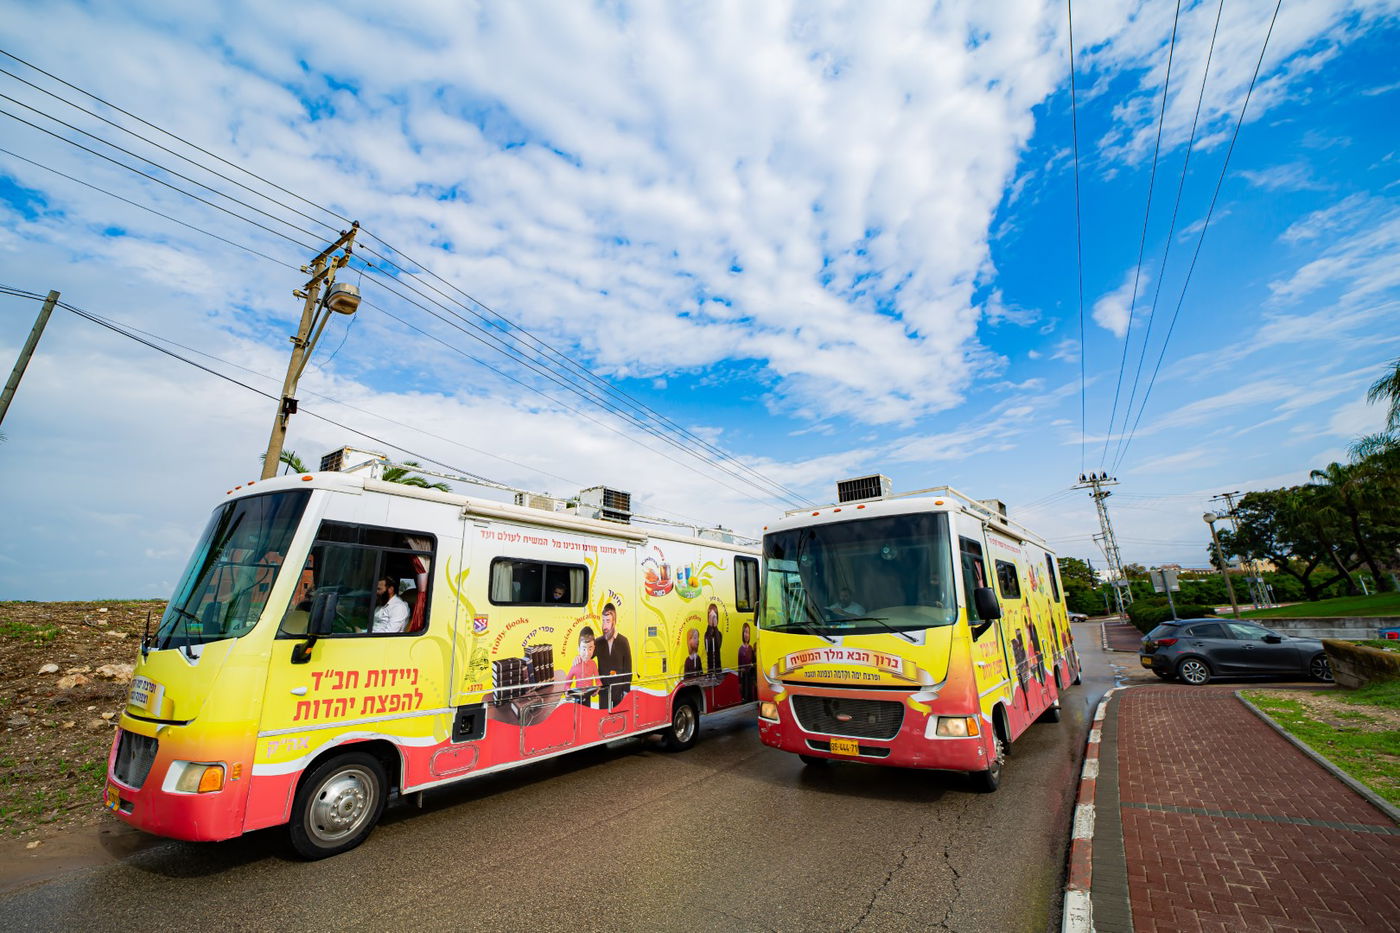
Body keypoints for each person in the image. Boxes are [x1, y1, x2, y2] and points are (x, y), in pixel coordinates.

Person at [593, 602, 632, 709]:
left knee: (618, 719)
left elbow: (628, 669)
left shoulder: (623, 641)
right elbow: (588, 656)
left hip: (619, 689)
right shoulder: (598, 642)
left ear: (614, 622)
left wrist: (626, 690)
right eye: (603, 621)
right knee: (603, 717)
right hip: (603, 690)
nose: (604, 625)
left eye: (608, 621)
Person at [564, 626, 600, 702]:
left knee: (588, 712)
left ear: (594, 648)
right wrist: (567, 691)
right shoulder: (576, 665)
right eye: (584, 649)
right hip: (577, 697)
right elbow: (567, 682)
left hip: (588, 696)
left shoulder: (593, 664)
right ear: (579, 649)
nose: (587, 653)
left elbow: (598, 681)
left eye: (590, 648)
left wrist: (597, 689)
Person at [737, 622, 757, 702]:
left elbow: (754, 662)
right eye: (745, 632)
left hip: (750, 678)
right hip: (744, 678)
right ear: (743, 633)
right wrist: (739, 682)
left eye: (748, 632)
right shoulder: (740, 649)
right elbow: (739, 667)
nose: (746, 635)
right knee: (745, 697)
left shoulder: (751, 648)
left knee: (751, 696)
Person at [704, 603, 723, 676]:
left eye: (715, 616)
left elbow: (718, 645)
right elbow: (707, 646)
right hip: (710, 670)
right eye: (711, 616)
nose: (713, 618)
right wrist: (709, 626)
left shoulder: (719, 633)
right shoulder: (706, 633)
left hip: (718, 670)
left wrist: (715, 627)